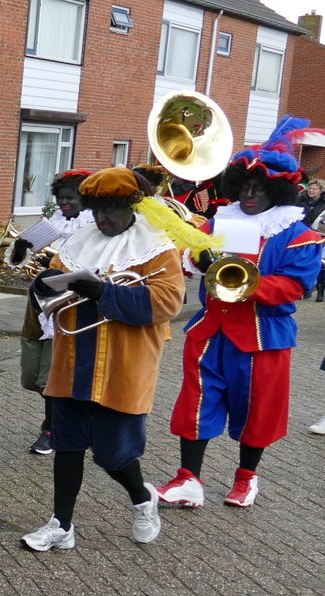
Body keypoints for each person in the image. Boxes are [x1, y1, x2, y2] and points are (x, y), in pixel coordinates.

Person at [20, 168, 192, 552]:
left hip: (123, 366)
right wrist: (44, 284)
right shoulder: (80, 241)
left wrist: (103, 292)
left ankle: (142, 499)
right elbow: (54, 293)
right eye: (96, 210)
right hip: (72, 360)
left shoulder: (156, 247)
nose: (102, 219)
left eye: (111, 210)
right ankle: (61, 525)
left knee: (113, 455)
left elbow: (167, 303)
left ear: (131, 207)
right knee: (67, 446)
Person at [156, 119, 323, 508]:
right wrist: (197, 255)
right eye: (244, 186)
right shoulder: (220, 220)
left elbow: (294, 286)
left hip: (262, 337)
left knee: (257, 410)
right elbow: (190, 253)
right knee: (196, 403)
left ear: (277, 190)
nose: (249, 194)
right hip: (211, 331)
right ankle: (188, 479)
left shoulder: (298, 234)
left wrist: (247, 283)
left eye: (259, 187)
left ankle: (246, 478)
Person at [15, 169, 91, 454]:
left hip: (68, 305)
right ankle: (70, 417)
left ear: (84, 199)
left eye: (70, 198)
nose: (64, 203)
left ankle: (51, 429)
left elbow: (91, 271)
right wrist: (20, 249)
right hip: (38, 305)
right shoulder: (52, 224)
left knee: (51, 376)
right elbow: (18, 263)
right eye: (60, 198)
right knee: (31, 374)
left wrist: (57, 263)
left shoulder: (93, 228)